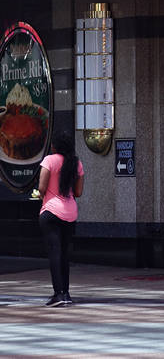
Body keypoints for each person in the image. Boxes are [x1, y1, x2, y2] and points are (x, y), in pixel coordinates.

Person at [38, 130, 83, 307]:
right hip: (70, 213)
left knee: (54, 253)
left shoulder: (49, 160)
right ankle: (66, 293)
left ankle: (58, 294)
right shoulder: (76, 163)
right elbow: (78, 192)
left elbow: (41, 188)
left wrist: (46, 195)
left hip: (51, 212)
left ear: (54, 146)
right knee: (64, 254)